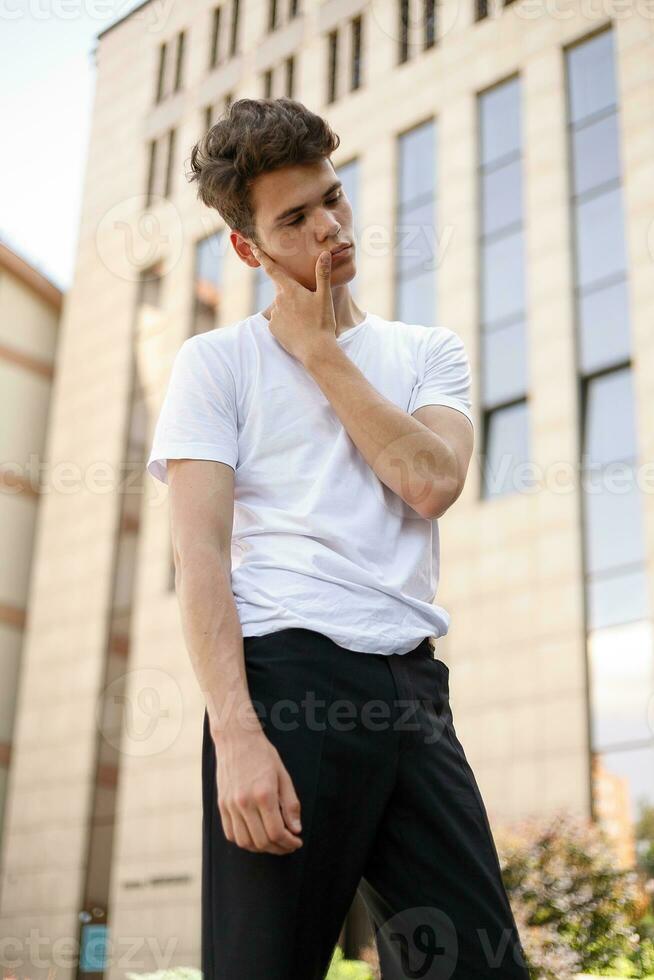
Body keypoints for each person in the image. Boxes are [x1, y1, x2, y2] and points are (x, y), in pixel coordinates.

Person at [146, 97, 531, 980]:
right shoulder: (216, 364)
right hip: (287, 689)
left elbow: (432, 481)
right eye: (295, 218)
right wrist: (236, 735)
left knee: (481, 968)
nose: (329, 228)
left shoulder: (427, 350)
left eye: (333, 199)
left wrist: (321, 355)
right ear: (248, 248)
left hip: (414, 692)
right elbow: (199, 557)